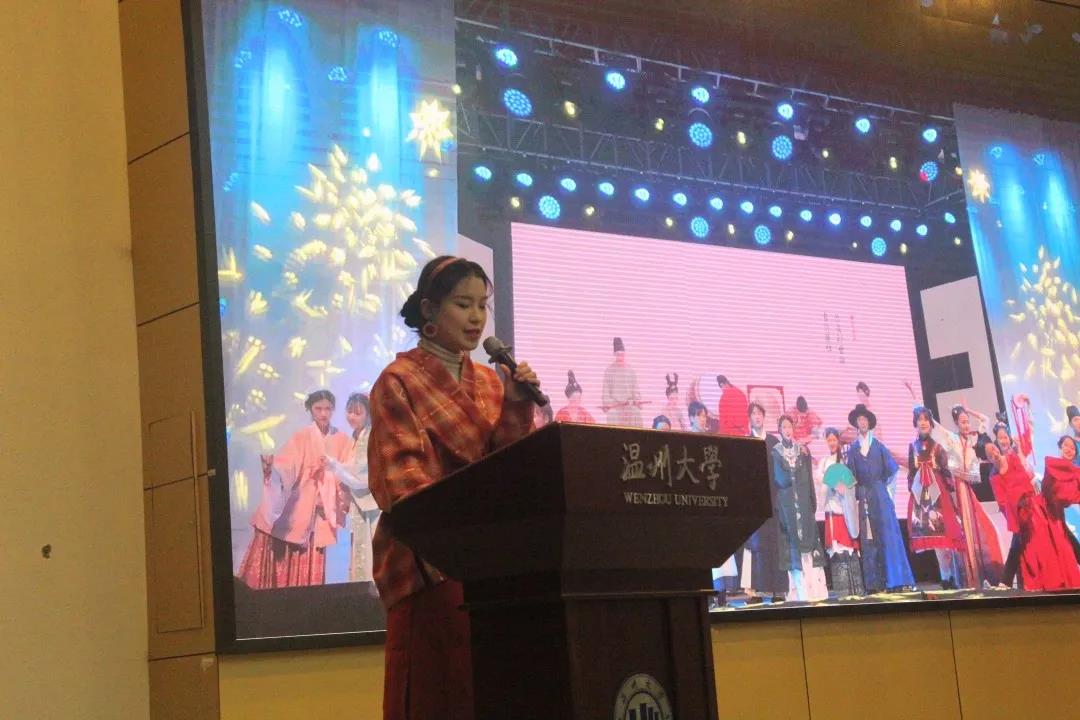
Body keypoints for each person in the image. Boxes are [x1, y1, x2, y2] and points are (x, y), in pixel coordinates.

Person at [368, 256, 539, 720]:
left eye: (482, 305)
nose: (476, 317)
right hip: (428, 567)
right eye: (463, 305)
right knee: (438, 698)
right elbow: (402, 486)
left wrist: (517, 406)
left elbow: (506, 470)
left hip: (490, 571)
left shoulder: (491, 381)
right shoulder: (397, 382)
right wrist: (467, 539)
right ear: (429, 309)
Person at [236, 389, 352, 589]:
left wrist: (333, 485)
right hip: (301, 505)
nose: (323, 413)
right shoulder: (302, 437)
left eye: (328, 409)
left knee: (314, 560)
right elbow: (285, 469)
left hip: (322, 511)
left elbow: (347, 472)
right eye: (318, 409)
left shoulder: (342, 439)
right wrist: (272, 470)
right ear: (310, 410)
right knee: (286, 537)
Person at [986, 436, 1080, 591]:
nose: (995, 454)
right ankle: (1007, 582)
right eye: (990, 454)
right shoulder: (994, 476)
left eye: (1072, 447)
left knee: (1062, 535)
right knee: (1021, 542)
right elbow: (1003, 500)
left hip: (1039, 506)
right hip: (1023, 508)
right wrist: (1016, 507)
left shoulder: (1013, 459)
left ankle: (1006, 582)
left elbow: (1027, 475)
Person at [930, 403, 1002, 588]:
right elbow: (935, 427)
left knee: (980, 528)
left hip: (967, 488)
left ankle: (979, 574)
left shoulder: (972, 439)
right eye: (962, 422)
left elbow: (985, 420)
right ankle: (966, 576)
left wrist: (968, 410)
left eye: (967, 422)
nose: (967, 425)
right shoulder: (952, 439)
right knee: (963, 531)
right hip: (955, 489)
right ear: (956, 423)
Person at [845, 404, 915, 593]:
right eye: (859, 420)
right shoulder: (853, 449)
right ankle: (874, 583)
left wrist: (888, 495)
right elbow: (850, 478)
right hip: (864, 497)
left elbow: (892, 472)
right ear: (856, 424)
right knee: (869, 539)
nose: (862, 422)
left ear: (869, 423)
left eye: (865, 419)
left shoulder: (879, 446)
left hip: (880, 495)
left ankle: (896, 579)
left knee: (888, 536)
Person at [325, 392, 380, 586]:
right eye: (349, 412)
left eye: (357, 413)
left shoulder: (368, 436)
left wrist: (336, 467)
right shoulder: (357, 436)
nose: (352, 417)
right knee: (361, 550)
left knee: (371, 551)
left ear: (368, 414)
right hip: (361, 503)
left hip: (371, 505)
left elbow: (361, 475)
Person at [907, 407, 966, 588]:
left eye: (926, 419)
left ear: (931, 424)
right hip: (921, 494)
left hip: (938, 494)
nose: (923, 422)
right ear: (915, 423)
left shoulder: (938, 447)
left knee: (946, 536)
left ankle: (951, 576)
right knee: (934, 537)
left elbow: (946, 471)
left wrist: (949, 491)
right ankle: (945, 577)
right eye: (920, 419)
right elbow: (911, 472)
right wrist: (913, 491)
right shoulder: (913, 447)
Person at [772, 415, 828, 601]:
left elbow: (808, 478)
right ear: (779, 430)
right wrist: (793, 471)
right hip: (787, 504)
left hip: (803, 502)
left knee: (809, 543)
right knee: (793, 545)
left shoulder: (802, 450)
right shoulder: (776, 452)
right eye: (784, 427)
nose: (787, 430)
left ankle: (815, 590)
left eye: (790, 427)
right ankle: (799, 593)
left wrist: (811, 501)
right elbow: (780, 479)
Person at [734, 402, 786, 602]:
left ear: (764, 417)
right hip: (755, 503)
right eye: (753, 414)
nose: (756, 417)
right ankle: (757, 590)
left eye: (759, 413)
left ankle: (777, 590)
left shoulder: (774, 442)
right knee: (756, 547)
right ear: (749, 418)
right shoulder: (746, 443)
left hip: (775, 501)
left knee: (775, 544)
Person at [819, 427, 864, 597]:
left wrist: (844, 489)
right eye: (829, 440)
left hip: (846, 512)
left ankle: (856, 589)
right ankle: (843, 591)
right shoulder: (823, 463)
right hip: (832, 512)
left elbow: (851, 486)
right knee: (837, 551)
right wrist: (831, 485)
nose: (832, 443)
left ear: (838, 441)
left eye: (834, 440)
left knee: (850, 550)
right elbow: (822, 484)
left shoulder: (845, 460)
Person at [602, 337, 644, 427]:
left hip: (629, 405)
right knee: (611, 414)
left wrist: (636, 401)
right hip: (615, 406)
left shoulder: (630, 370)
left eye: (622, 354)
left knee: (636, 412)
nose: (620, 357)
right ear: (614, 355)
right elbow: (605, 394)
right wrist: (612, 404)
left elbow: (636, 391)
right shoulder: (609, 370)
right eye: (618, 354)